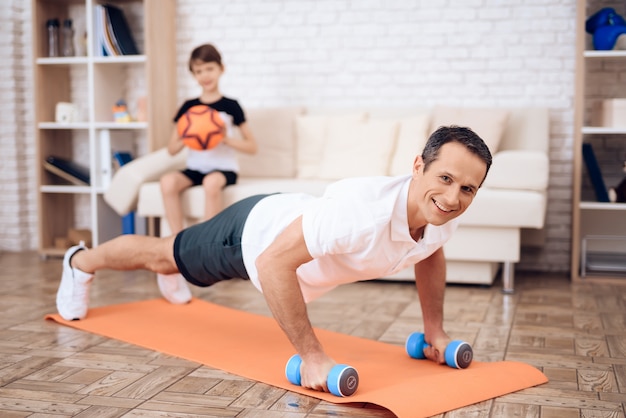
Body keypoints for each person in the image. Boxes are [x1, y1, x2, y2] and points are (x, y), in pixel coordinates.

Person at [56, 126, 492, 394]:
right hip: (249, 236)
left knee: (172, 255)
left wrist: (434, 330)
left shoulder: (442, 213)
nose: (453, 198)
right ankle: (80, 262)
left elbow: (430, 253)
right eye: (445, 178)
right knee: (161, 256)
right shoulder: (360, 215)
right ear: (418, 165)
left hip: (288, 218)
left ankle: (169, 276)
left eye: (468, 189)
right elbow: (271, 263)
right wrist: (314, 357)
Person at [160, 43, 257, 235]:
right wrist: (188, 137)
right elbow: (171, 150)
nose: (205, 75)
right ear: (193, 75)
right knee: (167, 182)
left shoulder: (231, 106)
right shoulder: (188, 107)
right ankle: (176, 240)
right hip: (195, 169)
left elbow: (252, 147)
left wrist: (224, 138)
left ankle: (206, 242)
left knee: (211, 182)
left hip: (223, 170)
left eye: (210, 69)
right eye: (199, 71)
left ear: (221, 69)